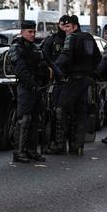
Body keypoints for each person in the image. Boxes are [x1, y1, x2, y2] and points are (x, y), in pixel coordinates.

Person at [52, 15, 99, 155]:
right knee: (80, 113)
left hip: (73, 80)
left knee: (61, 109)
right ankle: (77, 146)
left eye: (68, 27)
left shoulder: (71, 38)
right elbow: (98, 58)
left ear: (75, 26)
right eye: (64, 27)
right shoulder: (89, 38)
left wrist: (53, 67)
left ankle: (59, 145)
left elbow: (66, 56)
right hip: (86, 81)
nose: (65, 30)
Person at [8, 20, 50, 163]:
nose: (32, 34)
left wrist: (44, 80)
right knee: (24, 120)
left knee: (35, 119)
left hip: (37, 88)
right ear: (22, 32)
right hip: (25, 88)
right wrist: (32, 84)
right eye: (29, 32)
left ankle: (31, 150)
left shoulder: (35, 47)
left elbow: (43, 65)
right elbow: (20, 70)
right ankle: (19, 151)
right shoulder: (16, 48)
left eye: (34, 32)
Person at [40, 15, 69, 153]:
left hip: (71, 81)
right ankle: (54, 143)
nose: (64, 27)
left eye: (67, 25)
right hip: (55, 82)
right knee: (54, 113)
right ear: (59, 24)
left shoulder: (74, 39)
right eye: (63, 24)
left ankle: (69, 144)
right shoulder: (51, 40)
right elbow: (44, 58)